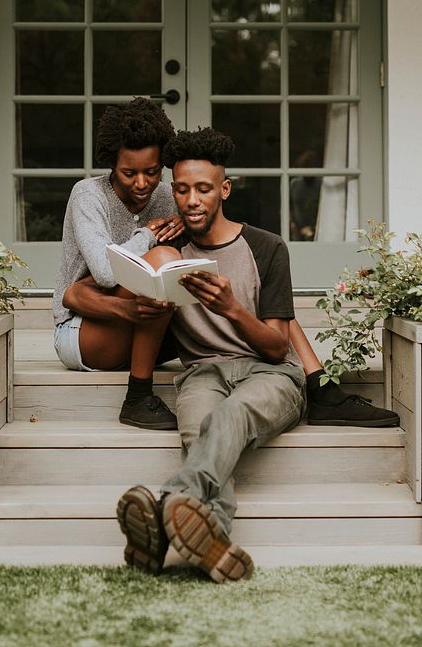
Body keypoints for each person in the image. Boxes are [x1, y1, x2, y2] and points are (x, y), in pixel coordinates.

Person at [111, 128, 399, 582]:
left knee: (225, 421)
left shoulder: (266, 248)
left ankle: (166, 511)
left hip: (271, 374)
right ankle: (213, 541)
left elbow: (275, 345)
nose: (192, 201)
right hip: (201, 373)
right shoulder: (170, 255)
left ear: (224, 189)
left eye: (204, 189)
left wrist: (230, 308)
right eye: (182, 190)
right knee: (200, 431)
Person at [52, 97, 185, 430]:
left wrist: (186, 223)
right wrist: (149, 235)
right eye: (129, 173)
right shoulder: (88, 195)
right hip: (82, 331)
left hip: (143, 322)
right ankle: (138, 396)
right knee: (162, 260)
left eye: (152, 172)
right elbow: (107, 273)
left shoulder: (167, 196)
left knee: (171, 268)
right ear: (112, 164)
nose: (142, 183)